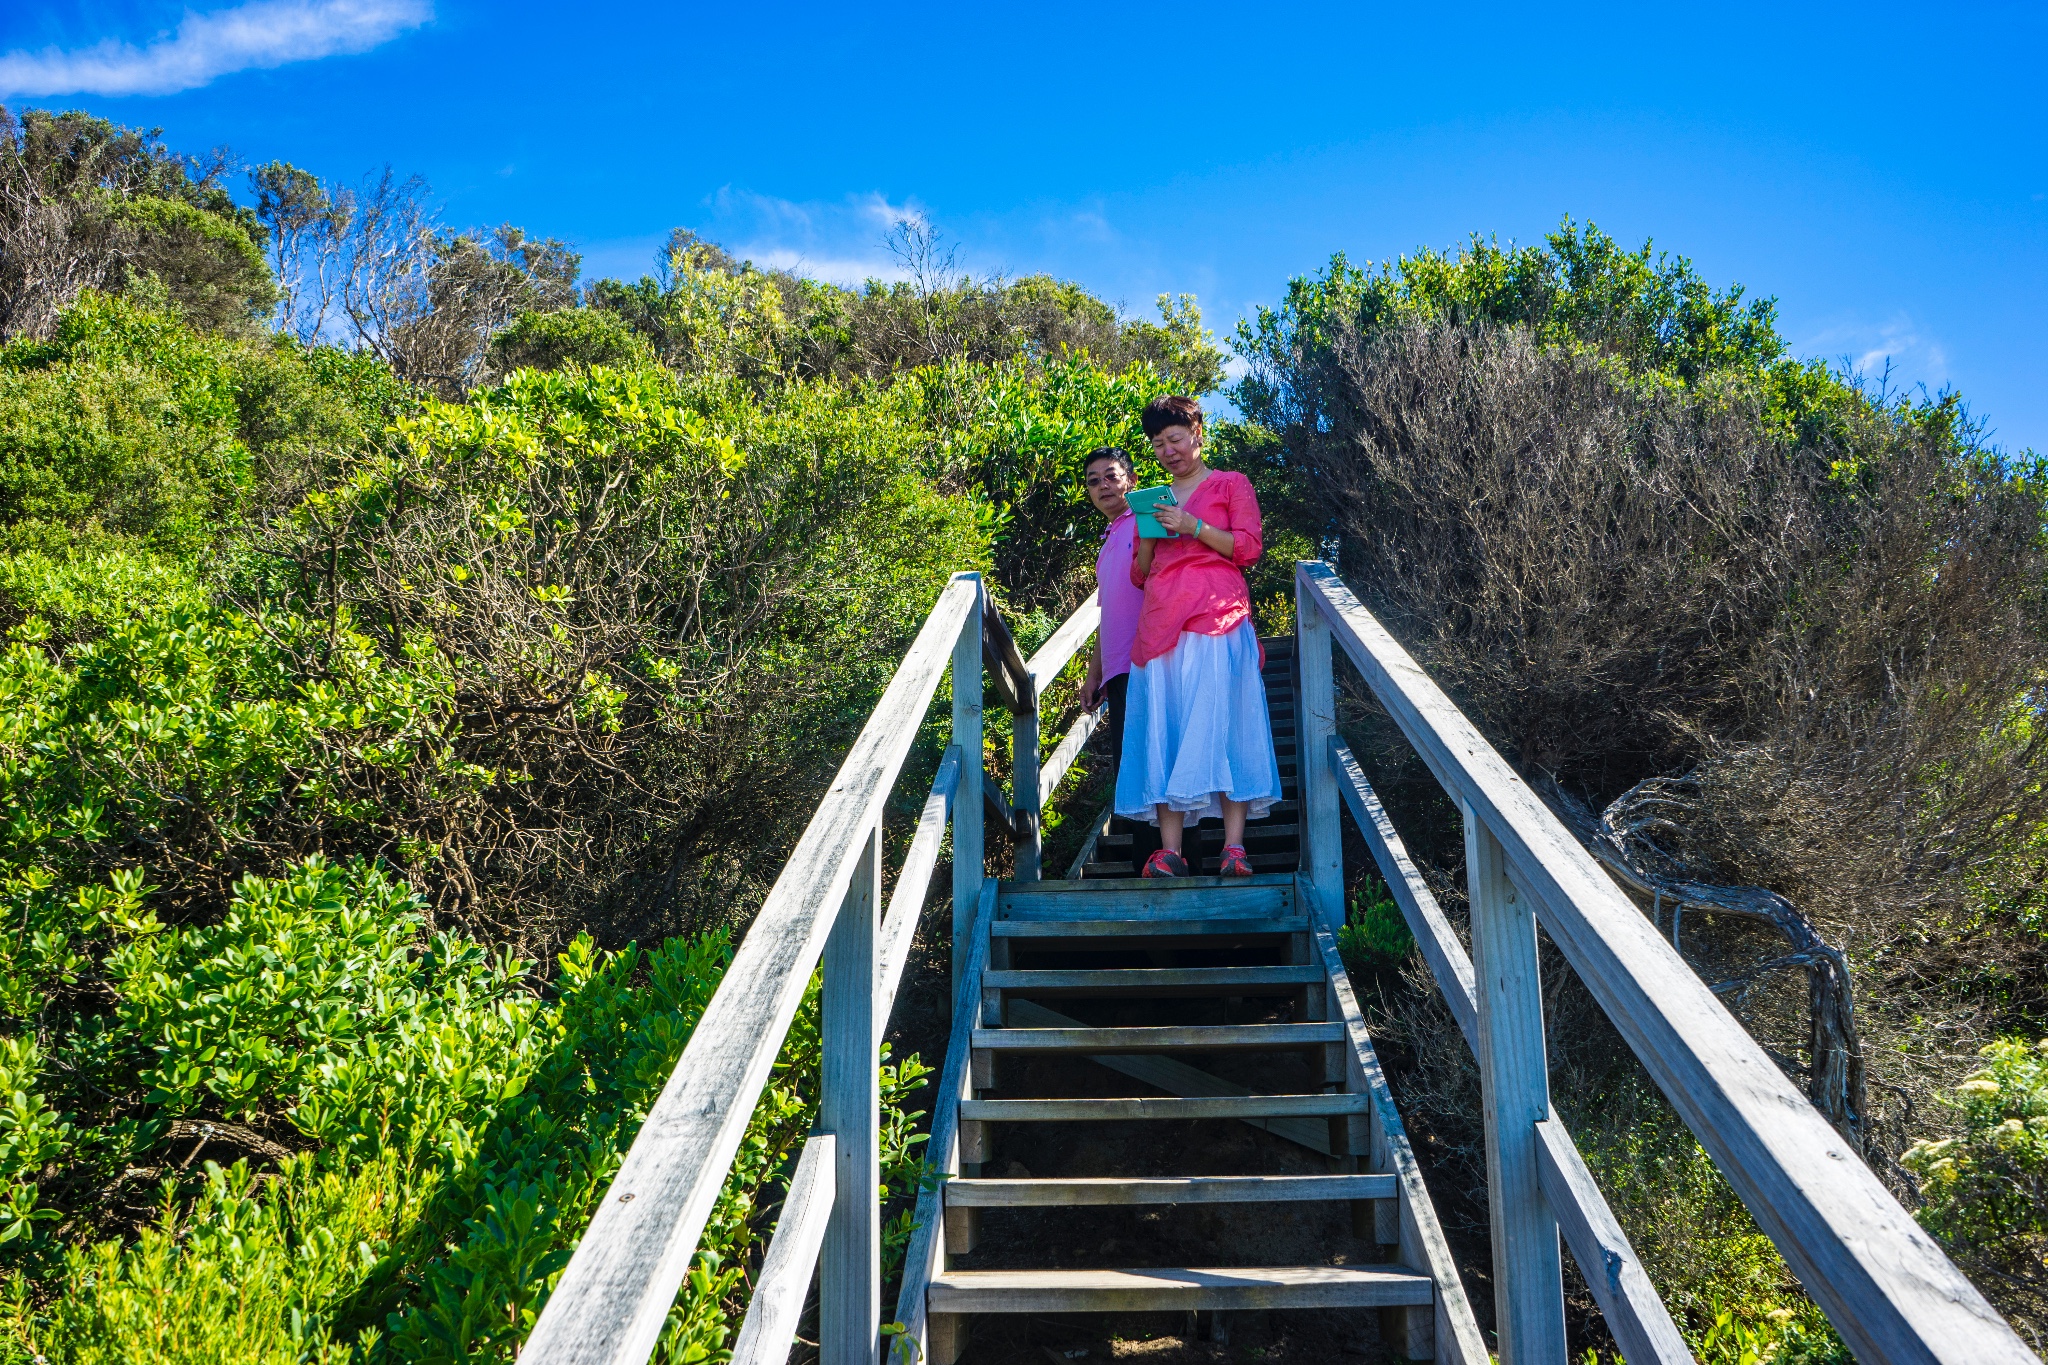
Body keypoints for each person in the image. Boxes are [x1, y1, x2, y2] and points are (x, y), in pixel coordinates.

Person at [1115, 395, 1281, 878]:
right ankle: (1169, 851)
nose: (1168, 450)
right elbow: (1141, 575)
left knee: (1224, 723)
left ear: (1197, 435)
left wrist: (1194, 526)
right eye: (1158, 443)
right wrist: (1149, 534)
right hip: (1162, 621)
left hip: (1217, 614)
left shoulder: (1231, 484)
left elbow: (1247, 549)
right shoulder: (1153, 498)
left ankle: (1234, 848)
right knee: (1166, 728)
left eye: (1175, 439)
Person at [1077, 446, 1141, 767]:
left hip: (1150, 664)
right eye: (1093, 481)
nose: (1102, 485)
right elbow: (1109, 616)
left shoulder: (1147, 521)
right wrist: (1094, 675)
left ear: (1130, 480)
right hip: (1118, 672)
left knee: (1149, 768)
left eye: (1111, 476)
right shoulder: (1106, 547)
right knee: (1128, 768)